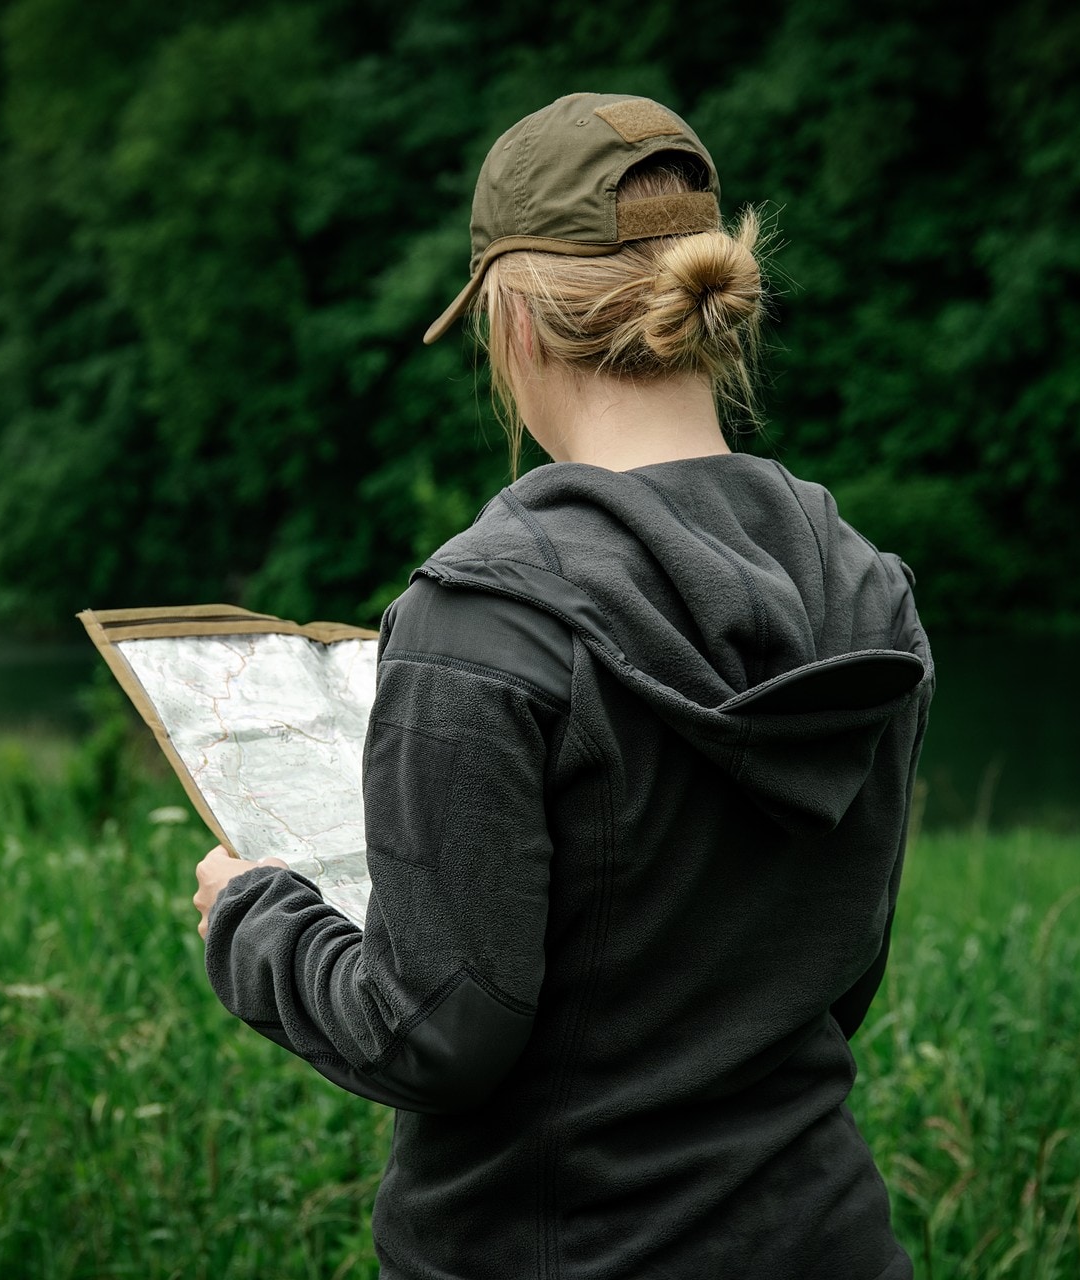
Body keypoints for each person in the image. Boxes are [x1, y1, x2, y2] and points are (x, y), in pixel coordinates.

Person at [192, 92, 934, 1280]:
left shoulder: (481, 618)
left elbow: (434, 1030)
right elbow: (838, 979)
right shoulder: (869, 596)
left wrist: (254, 916)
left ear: (517, 320)